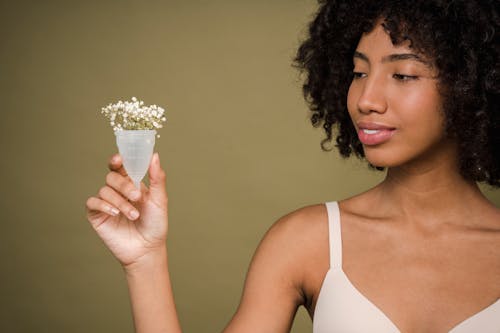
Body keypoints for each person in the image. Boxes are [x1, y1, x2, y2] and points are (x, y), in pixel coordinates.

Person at [85, 0, 500, 332]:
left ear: (474, 85)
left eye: (404, 75)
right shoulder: (307, 242)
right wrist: (145, 261)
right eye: (358, 72)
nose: (366, 99)